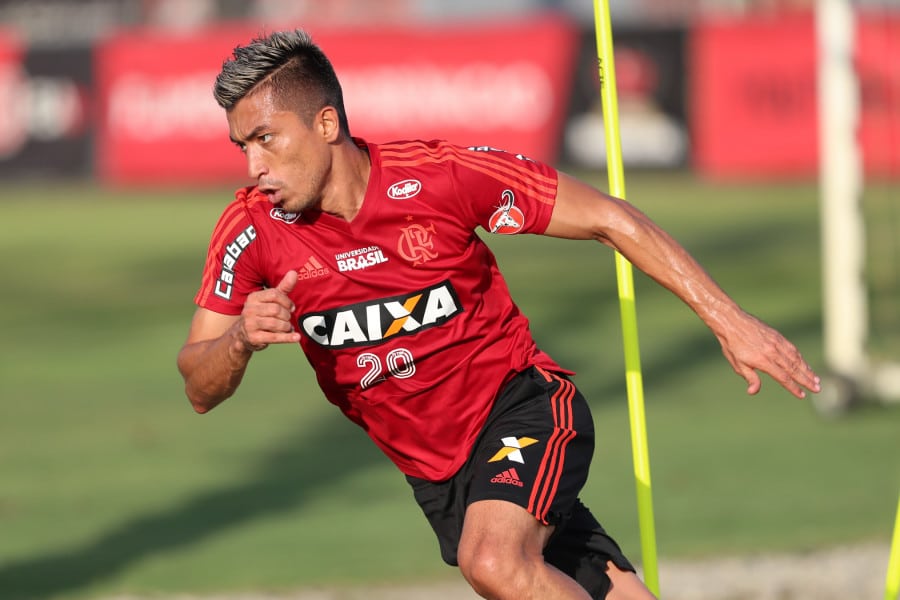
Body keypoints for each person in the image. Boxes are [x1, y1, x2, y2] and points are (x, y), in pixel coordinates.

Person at [176, 29, 821, 600]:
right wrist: (238, 340)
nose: (254, 167)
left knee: (492, 559)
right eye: (242, 147)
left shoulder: (440, 178)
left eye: (265, 139)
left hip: (521, 406)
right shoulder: (250, 230)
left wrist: (731, 322)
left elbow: (609, 217)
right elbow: (198, 386)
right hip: (434, 473)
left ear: (323, 124)